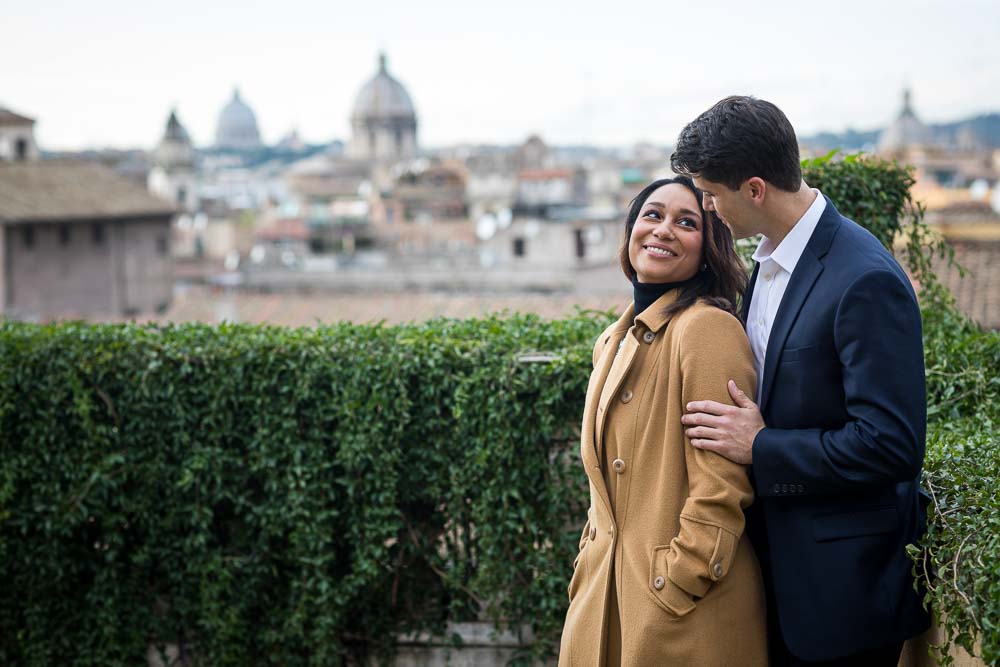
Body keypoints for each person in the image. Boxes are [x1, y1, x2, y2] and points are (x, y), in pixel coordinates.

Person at [673, 96, 931, 666]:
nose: (710, 209)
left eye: (712, 195)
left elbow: (891, 446)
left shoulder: (864, 277)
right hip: (775, 581)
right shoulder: (765, 263)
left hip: (841, 598)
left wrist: (760, 445)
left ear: (756, 189)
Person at [559, 176, 768, 666]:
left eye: (686, 222)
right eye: (652, 215)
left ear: (709, 247)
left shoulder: (707, 329)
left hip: (681, 614)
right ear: (631, 229)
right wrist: (587, 566)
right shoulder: (614, 339)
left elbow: (721, 486)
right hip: (605, 595)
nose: (663, 230)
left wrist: (678, 579)